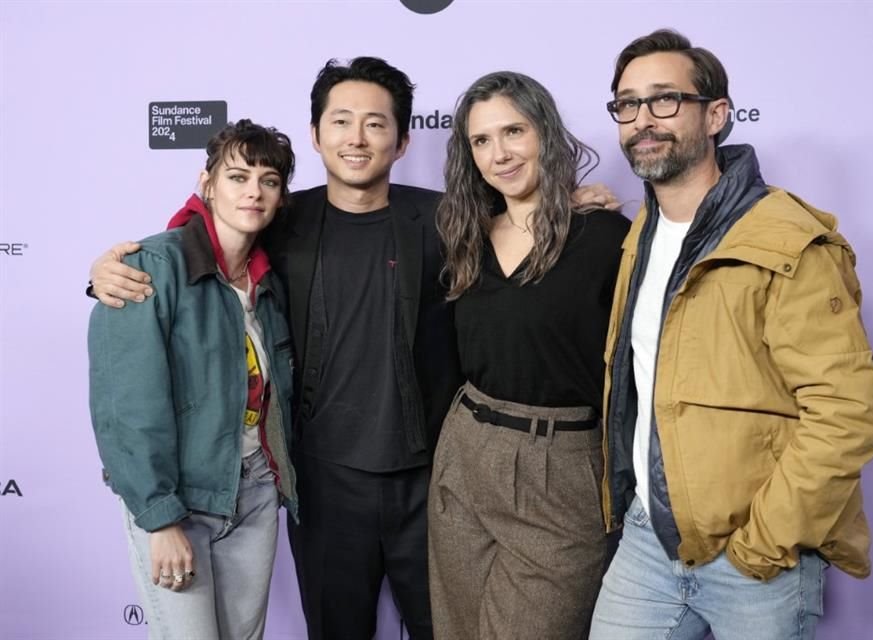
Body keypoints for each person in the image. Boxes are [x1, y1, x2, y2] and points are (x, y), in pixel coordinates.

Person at [87, 57, 619, 640]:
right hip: (323, 486)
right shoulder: (281, 220)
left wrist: (573, 197)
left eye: (375, 123)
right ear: (316, 136)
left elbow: (524, 213)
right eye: (341, 122)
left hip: (437, 481)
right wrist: (112, 270)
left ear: (402, 139)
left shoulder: (449, 219)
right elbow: (208, 238)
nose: (357, 139)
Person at [588, 29, 873, 640]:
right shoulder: (640, 230)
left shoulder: (788, 240)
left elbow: (848, 412)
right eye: (627, 104)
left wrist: (763, 542)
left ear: (717, 114)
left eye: (666, 100)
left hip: (753, 556)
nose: (643, 119)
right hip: (649, 539)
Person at [428, 71, 631, 639]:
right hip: (465, 451)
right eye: (481, 141)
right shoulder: (463, 235)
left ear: (544, 131)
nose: (500, 153)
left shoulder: (608, 238)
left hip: (559, 468)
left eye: (513, 131)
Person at [88, 119, 299, 640]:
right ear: (206, 183)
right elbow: (127, 406)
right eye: (237, 176)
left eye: (268, 180)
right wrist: (160, 520)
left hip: (253, 494)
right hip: (181, 499)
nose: (253, 190)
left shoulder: (269, 280)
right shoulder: (151, 268)